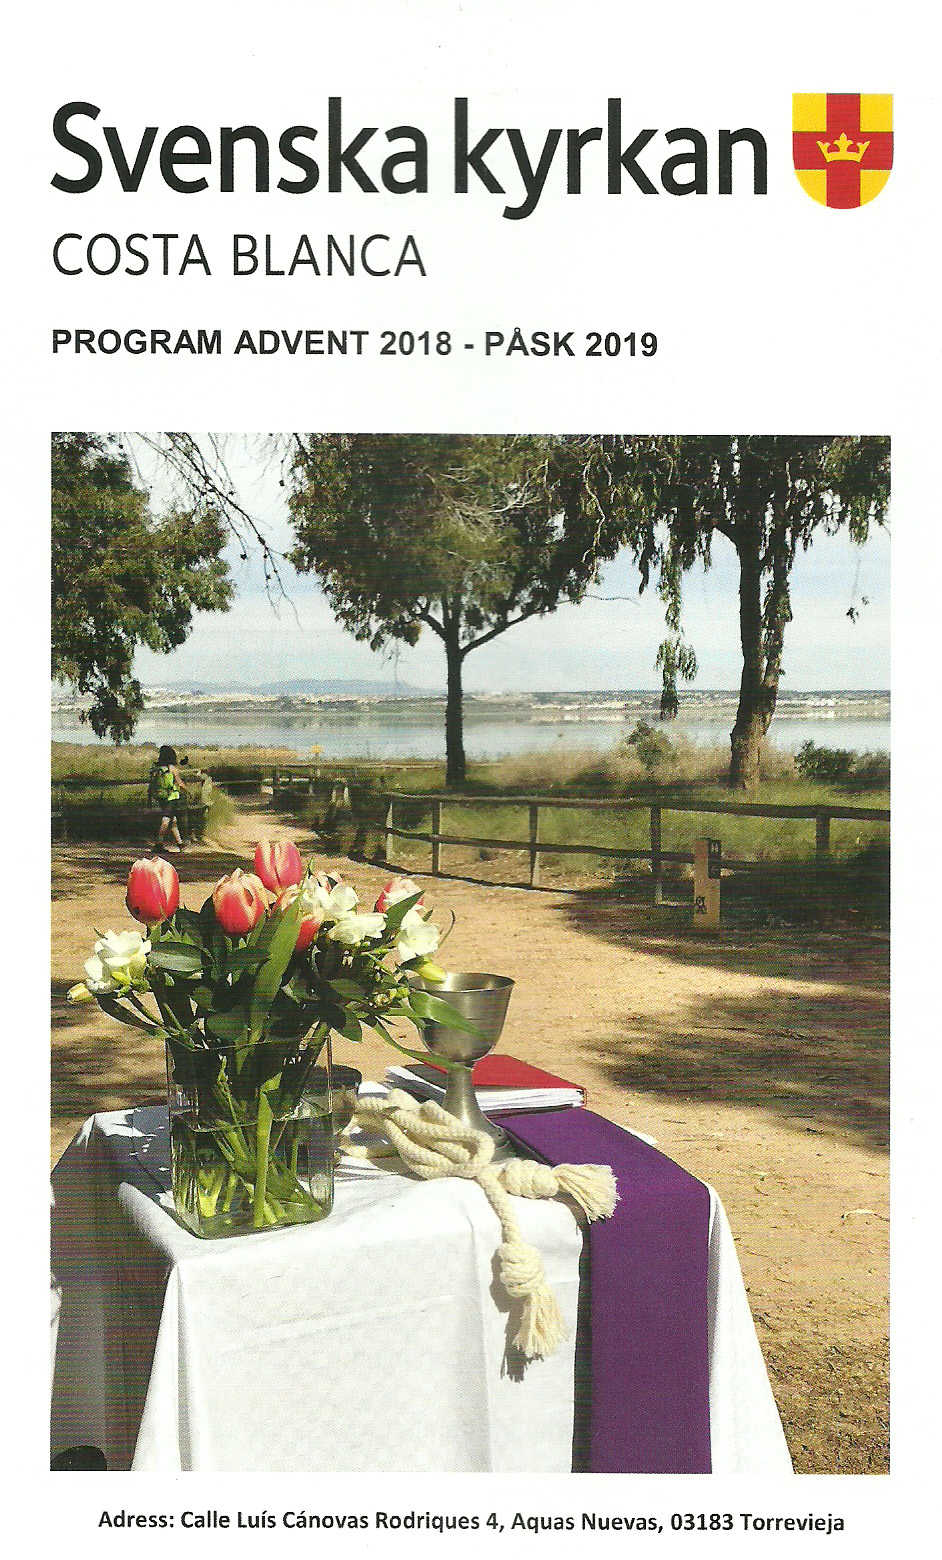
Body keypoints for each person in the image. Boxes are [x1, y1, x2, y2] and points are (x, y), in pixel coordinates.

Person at [148, 745, 187, 854]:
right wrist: (187, 790)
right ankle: (159, 844)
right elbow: (180, 783)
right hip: (172, 797)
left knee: (172, 821)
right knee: (166, 820)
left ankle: (180, 843)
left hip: (161, 797)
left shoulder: (157, 769)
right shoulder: (172, 769)